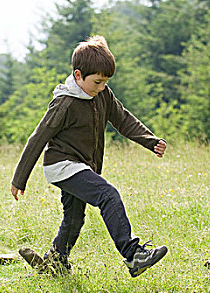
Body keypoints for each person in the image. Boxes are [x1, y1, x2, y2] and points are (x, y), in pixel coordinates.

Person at [11, 36, 168, 277]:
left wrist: (150, 140)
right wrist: (19, 179)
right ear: (77, 76)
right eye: (97, 82)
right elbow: (38, 138)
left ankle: (55, 261)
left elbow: (122, 119)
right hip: (62, 165)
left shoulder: (102, 95)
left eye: (105, 82)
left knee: (74, 218)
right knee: (107, 194)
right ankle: (133, 254)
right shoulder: (63, 103)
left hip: (83, 167)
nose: (102, 87)